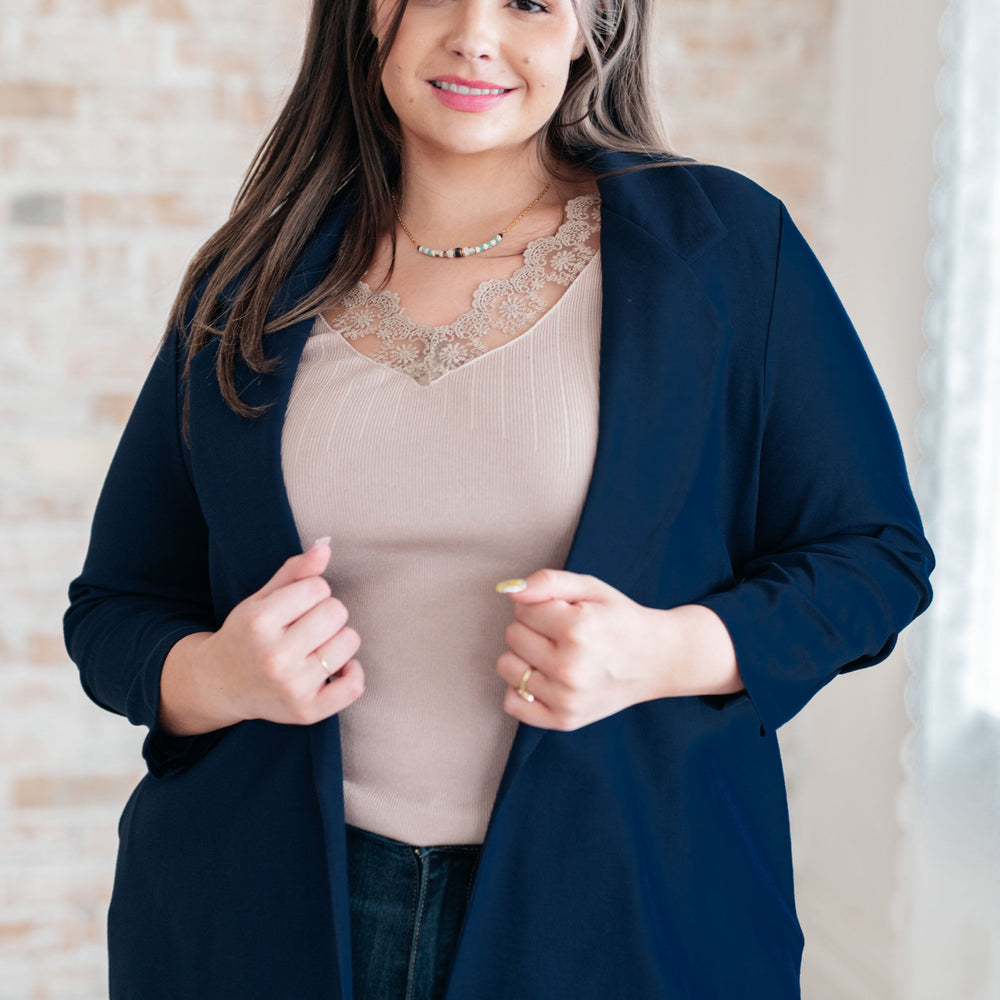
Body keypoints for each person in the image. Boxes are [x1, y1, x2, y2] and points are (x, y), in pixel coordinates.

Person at [63, 0, 934, 997]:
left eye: (528, 1)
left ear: (590, 25)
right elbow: (116, 608)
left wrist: (663, 651)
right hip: (254, 920)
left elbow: (872, 555)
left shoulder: (721, 247)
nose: (475, 32)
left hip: (619, 920)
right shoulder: (243, 284)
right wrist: (219, 674)